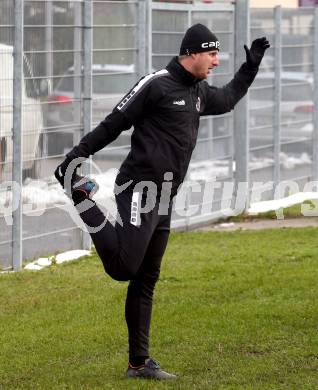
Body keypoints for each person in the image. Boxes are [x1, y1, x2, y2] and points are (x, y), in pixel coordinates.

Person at [55, 24, 270, 380]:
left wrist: (250, 69)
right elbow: (114, 124)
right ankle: (81, 197)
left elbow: (228, 99)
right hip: (139, 188)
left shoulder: (198, 91)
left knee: (145, 278)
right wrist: (73, 160)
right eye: (212, 54)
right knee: (124, 267)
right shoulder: (155, 84)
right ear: (192, 53)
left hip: (165, 196)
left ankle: (138, 364)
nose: (217, 61)